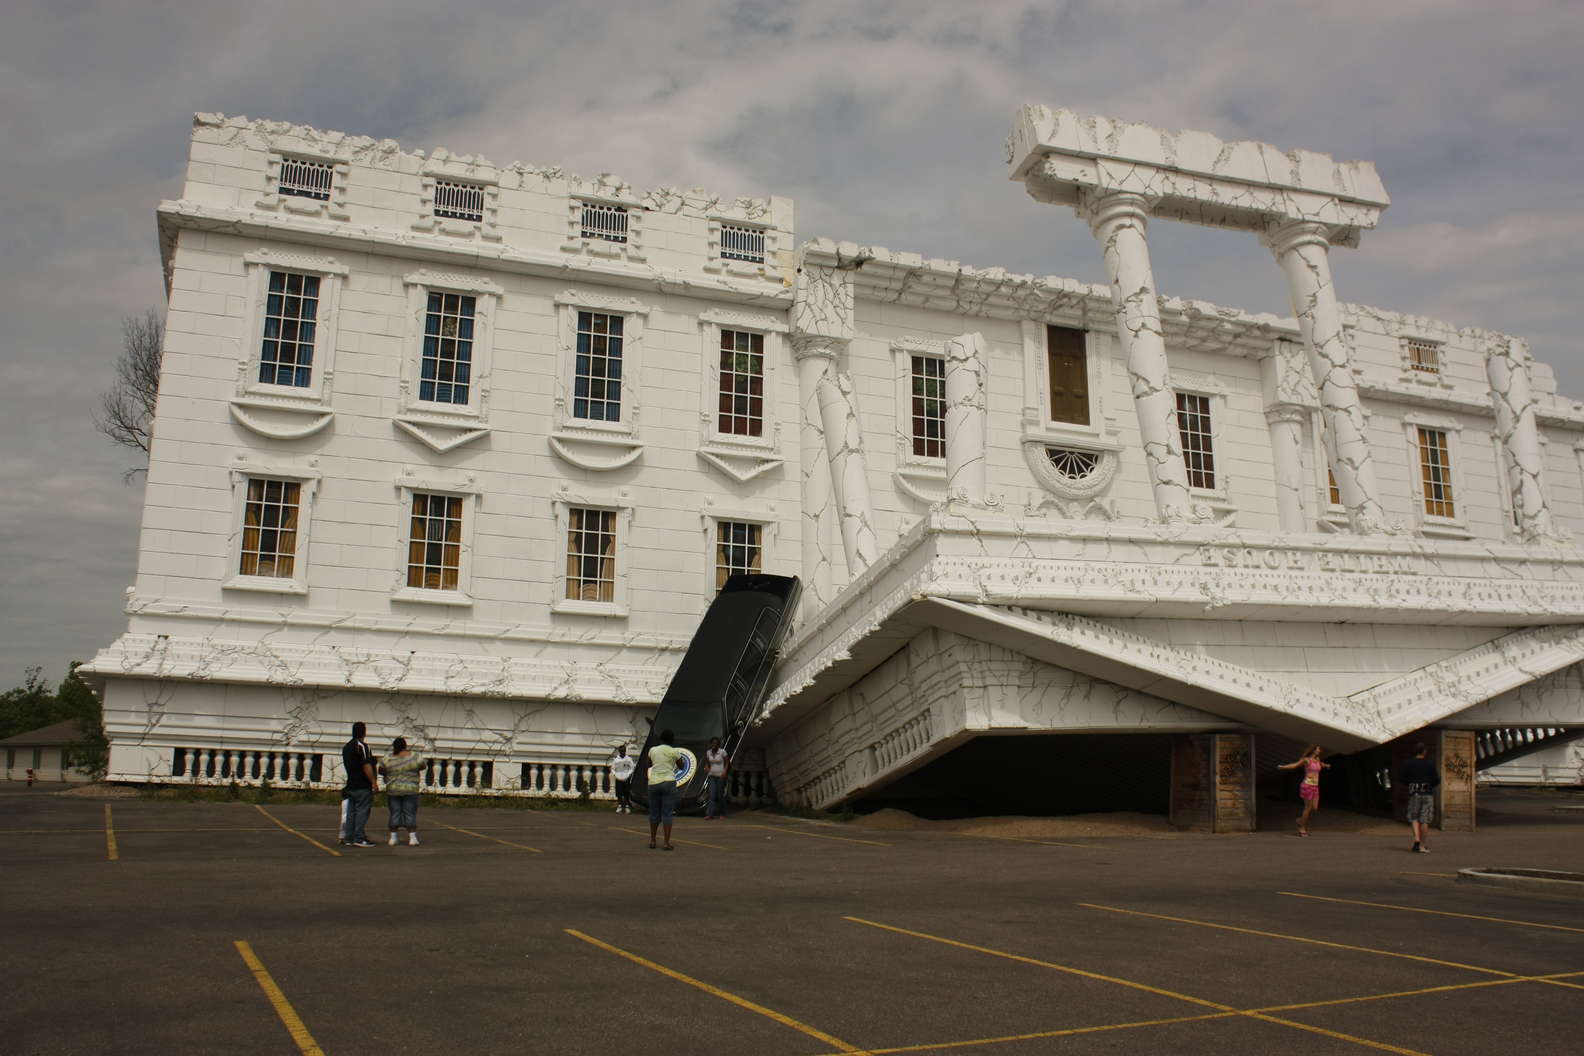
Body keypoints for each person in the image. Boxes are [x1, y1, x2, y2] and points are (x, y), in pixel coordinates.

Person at [340, 721, 378, 848]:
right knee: (362, 811)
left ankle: (349, 837)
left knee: (351, 812)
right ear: (364, 732)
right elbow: (366, 765)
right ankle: (359, 837)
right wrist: (373, 782)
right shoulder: (362, 746)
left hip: (351, 783)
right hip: (362, 784)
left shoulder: (346, 747)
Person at [1277, 744, 1329, 836]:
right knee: (1308, 808)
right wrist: (1282, 767)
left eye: (1319, 749)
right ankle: (1302, 829)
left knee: (1315, 808)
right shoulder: (1306, 760)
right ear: (1313, 750)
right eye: (1318, 749)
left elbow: (1321, 765)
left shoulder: (1317, 760)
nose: (1319, 751)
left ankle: (1301, 820)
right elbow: (1294, 765)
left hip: (1315, 787)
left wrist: (1326, 765)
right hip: (1307, 786)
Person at [380, 737, 424, 846]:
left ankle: (393, 838)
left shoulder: (387, 758)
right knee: (410, 813)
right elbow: (423, 766)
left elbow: (381, 770)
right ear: (405, 746)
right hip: (411, 789)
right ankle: (412, 838)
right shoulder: (415, 756)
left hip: (393, 789)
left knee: (395, 813)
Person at [646, 729, 685, 851]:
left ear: (661, 739)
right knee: (667, 813)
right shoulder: (674, 751)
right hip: (668, 781)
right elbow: (682, 766)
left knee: (654, 813)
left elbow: (649, 764)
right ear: (672, 740)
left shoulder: (652, 750)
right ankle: (666, 843)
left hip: (654, 782)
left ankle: (652, 840)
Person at [1400, 741, 1440, 854]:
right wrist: (1429, 785)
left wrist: (1411, 784)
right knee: (1425, 820)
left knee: (1414, 818)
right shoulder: (1430, 764)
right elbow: (1436, 780)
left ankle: (1416, 841)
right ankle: (1422, 845)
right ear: (1424, 751)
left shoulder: (1407, 763)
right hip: (1427, 793)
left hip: (1414, 794)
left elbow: (1402, 778)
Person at [703, 737, 729, 820]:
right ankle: (710, 814)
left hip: (720, 776)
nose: (714, 744)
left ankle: (722, 813)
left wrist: (725, 771)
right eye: (713, 743)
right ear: (710, 744)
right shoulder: (708, 752)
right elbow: (707, 762)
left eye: (716, 743)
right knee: (711, 795)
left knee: (719, 795)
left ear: (718, 744)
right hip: (711, 776)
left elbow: (727, 762)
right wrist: (706, 767)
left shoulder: (722, 752)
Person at [609, 744, 635, 814]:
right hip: (618, 778)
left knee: (626, 792)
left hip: (626, 778)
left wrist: (628, 775)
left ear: (625, 751)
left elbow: (632, 768)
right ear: (619, 751)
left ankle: (627, 806)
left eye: (623, 751)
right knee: (619, 792)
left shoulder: (629, 759)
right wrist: (616, 775)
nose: (622, 752)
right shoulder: (616, 760)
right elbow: (613, 769)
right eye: (621, 751)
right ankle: (620, 806)